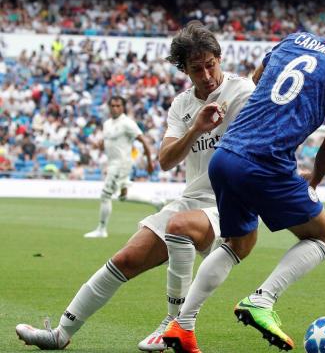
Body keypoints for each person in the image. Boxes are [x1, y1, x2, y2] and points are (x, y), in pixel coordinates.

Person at [161, 9, 325, 353]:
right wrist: (314, 179)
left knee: (239, 243)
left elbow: (258, 80)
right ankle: (262, 299)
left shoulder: (294, 39)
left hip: (225, 156)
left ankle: (182, 324)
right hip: (265, 161)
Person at [15, 22, 256, 351]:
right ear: (183, 70)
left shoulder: (242, 92)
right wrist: (197, 127)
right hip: (192, 198)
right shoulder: (182, 105)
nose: (207, 75)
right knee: (125, 259)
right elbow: (166, 159)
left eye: (211, 65)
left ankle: (174, 325)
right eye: (196, 69)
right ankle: (60, 334)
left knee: (179, 227)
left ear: (219, 57)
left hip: (229, 200)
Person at [83, 95, 158, 238]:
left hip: (121, 164)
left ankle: (101, 229)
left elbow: (143, 141)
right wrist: (100, 145)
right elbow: (108, 142)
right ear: (109, 107)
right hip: (112, 163)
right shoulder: (107, 124)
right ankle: (155, 201)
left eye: (118, 106)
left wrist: (149, 162)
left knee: (105, 194)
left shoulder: (127, 123)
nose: (115, 108)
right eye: (112, 106)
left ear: (123, 107)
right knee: (123, 196)